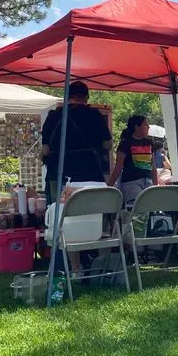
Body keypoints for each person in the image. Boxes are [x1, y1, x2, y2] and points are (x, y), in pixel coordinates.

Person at [41, 81, 112, 274]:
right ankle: (101, 263)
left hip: (61, 175)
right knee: (99, 217)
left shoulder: (54, 117)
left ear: (66, 96)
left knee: (65, 220)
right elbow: (107, 145)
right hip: (92, 174)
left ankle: (75, 268)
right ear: (86, 97)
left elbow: (45, 150)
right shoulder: (94, 115)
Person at [108, 115, 158, 204]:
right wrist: (109, 187)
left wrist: (156, 185)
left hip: (148, 181)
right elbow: (118, 168)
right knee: (137, 209)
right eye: (145, 125)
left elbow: (153, 167)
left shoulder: (149, 142)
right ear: (137, 127)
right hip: (131, 182)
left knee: (150, 208)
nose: (148, 127)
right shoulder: (125, 143)